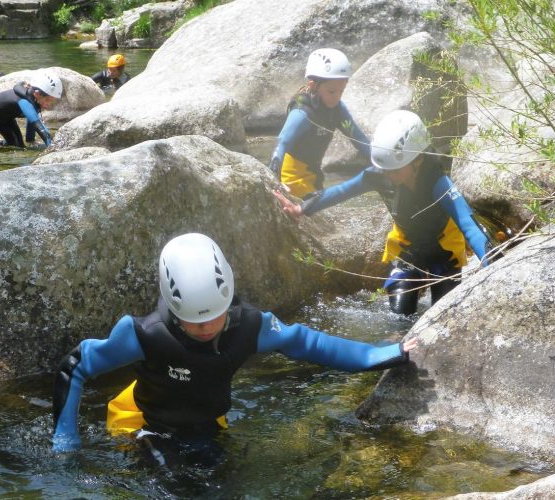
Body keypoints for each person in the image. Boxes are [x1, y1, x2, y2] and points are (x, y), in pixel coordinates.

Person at [52, 233, 418, 458]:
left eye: (214, 315)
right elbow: (76, 367)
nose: (206, 327)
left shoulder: (252, 326)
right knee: (171, 485)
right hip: (147, 423)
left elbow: (309, 343)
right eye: (193, 320)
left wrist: (380, 353)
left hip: (208, 420)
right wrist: (65, 439)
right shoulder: (143, 333)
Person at [275, 110, 492, 315]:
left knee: (444, 313)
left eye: (395, 171)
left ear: (417, 160)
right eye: (385, 170)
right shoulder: (379, 174)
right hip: (407, 248)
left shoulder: (438, 181)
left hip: (444, 252)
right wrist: (301, 208)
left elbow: (468, 224)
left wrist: (491, 265)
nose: (388, 176)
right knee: (399, 314)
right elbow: (342, 191)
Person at [268, 48, 371, 198]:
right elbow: (281, 144)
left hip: (313, 177)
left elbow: (358, 139)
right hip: (291, 180)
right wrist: (274, 182)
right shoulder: (302, 113)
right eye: (331, 92)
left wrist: (381, 162)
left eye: (341, 91)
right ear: (312, 85)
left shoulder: (337, 110)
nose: (336, 97)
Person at [0, 72, 62, 151]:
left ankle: (1, 142)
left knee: (19, 147)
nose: (49, 104)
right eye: (47, 100)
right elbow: (40, 129)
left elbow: (31, 122)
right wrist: (53, 148)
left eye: (51, 101)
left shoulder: (34, 100)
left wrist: (31, 141)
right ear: (37, 94)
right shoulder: (25, 102)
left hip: (6, 119)